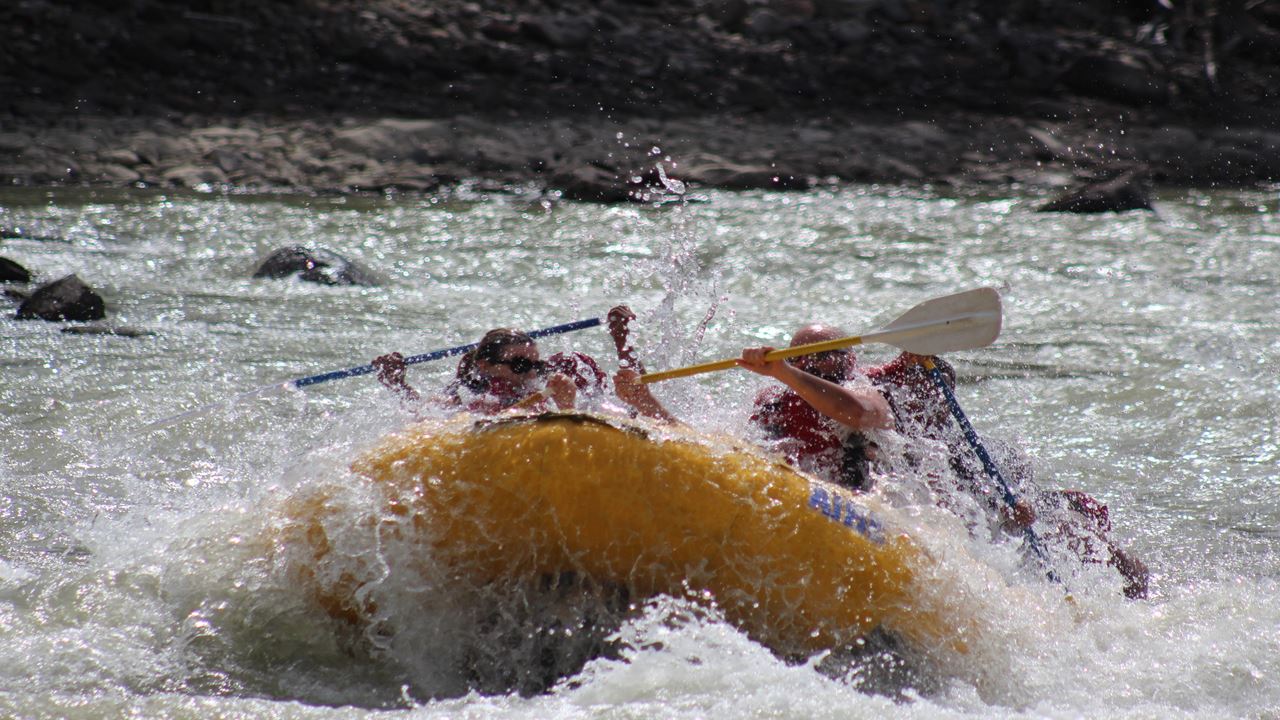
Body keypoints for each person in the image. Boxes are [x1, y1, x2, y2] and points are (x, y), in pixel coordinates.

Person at [614, 322, 895, 491]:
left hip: (860, 503)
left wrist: (784, 371)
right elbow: (720, 453)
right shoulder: (775, 403)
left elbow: (859, 413)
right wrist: (646, 404)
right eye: (801, 357)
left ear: (850, 359)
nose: (811, 363)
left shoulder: (865, 389)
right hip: (798, 496)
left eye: (824, 354)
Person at [371, 327, 600, 416]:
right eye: (519, 365)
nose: (530, 374)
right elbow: (421, 417)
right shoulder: (466, 397)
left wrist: (566, 406)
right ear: (485, 365)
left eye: (536, 365)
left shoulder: (545, 391)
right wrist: (398, 385)